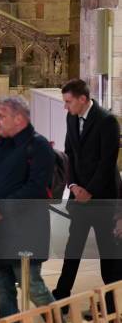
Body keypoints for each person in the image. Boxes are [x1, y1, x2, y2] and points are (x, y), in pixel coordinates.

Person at [0, 96, 56, 323]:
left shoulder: (38, 146)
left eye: (2, 116)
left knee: (32, 285)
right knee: (2, 289)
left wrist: (0, 209)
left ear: (19, 119)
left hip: (26, 230)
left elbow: (35, 188)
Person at [53, 79, 122, 311]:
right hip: (79, 197)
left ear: (83, 99)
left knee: (108, 255)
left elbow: (107, 162)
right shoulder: (71, 117)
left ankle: (110, 305)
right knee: (73, 249)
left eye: (68, 101)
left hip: (102, 198)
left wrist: (89, 191)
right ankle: (61, 297)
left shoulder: (107, 121)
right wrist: (72, 186)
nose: (65, 107)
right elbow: (69, 154)